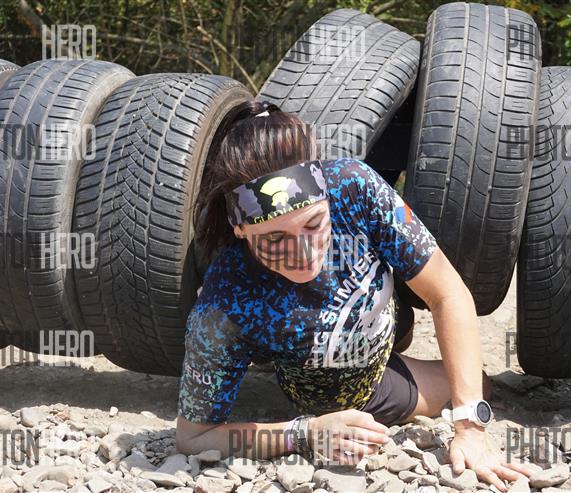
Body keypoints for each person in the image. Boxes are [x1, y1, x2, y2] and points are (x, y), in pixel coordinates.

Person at [175, 100, 534, 490]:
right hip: (345, 379)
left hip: (383, 315)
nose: (303, 252)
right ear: (241, 228)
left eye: (314, 223)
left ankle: (396, 336)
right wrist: (304, 432)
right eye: (275, 239)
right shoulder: (223, 304)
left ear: (324, 191)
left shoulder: (354, 185)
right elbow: (193, 436)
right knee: (478, 382)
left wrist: (471, 428)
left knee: (471, 390)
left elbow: (447, 293)